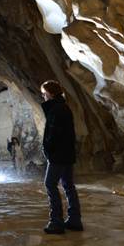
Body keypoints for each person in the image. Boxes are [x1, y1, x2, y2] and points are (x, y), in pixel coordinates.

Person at [40, 80, 82, 234]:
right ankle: (74, 219)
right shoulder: (64, 107)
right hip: (67, 153)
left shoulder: (56, 109)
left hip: (58, 154)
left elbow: (54, 133)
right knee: (68, 185)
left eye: (44, 93)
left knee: (50, 184)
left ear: (50, 93)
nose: (43, 97)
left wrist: (48, 149)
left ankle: (56, 221)